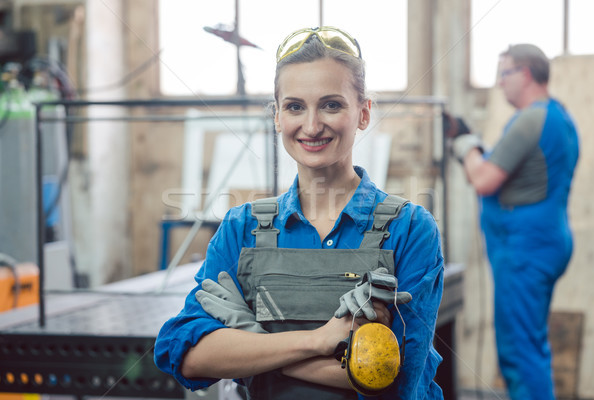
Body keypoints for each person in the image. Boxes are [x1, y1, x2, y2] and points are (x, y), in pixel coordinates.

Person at [155, 26, 445, 399]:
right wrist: (319, 341)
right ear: (277, 117)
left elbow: (396, 377)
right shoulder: (241, 228)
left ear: (363, 113)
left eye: (331, 104)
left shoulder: (410, 229)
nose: (311, 126)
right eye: (294, 107)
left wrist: (251, 344)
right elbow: (184, 354)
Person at [450, 44, 579, 400]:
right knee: (530, 344)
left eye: (503, 74)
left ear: (524, 74)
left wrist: (464, 145)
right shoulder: (559, 117)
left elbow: (484, 179)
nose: (500, 84)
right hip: (545, 241)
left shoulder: (530, 118)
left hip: (525, 248)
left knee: (519, 353)